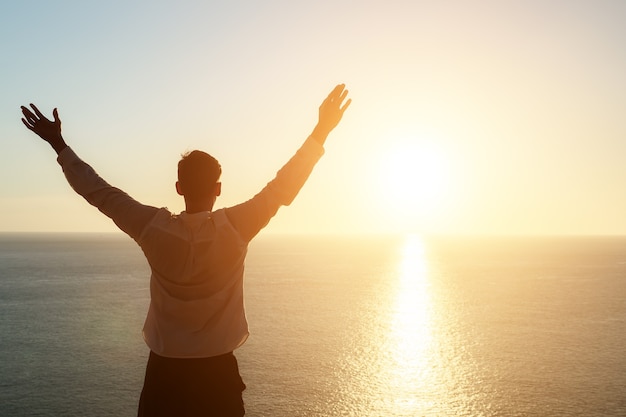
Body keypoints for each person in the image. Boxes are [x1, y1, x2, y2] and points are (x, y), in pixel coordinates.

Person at [20, 84, 351, 417]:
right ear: (218, 188)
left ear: (178, 187)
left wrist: (59, 144)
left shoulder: (151, 228)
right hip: (218, 377)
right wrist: (321, 130)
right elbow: (282, 186)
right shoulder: (236, 227)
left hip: (165, 376)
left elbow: (99, 192)